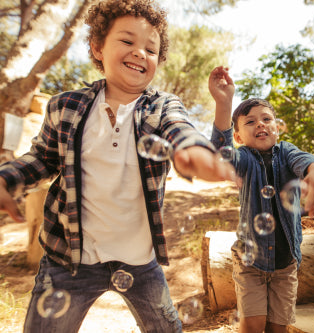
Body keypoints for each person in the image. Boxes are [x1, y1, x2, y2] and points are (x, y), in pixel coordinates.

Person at [0, 1, 236, 332]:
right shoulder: (64, 106)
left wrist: (195, 150)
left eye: (150, 49)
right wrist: (6, 180)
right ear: (97, 47)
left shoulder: (162, 107)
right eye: (127, 41)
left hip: (140, 262)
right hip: (68, 263)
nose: (140, 52)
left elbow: (181, 130)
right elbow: (41, 159)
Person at [208, 66, 314, 333]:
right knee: (252, 326)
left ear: (277, 128)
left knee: (279, 328)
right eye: (250, 121)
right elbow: (221, 156)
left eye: (266, 119)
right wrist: (224, 103)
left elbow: (305, 161)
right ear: (239, 136)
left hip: (286, 264)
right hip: (250, 263)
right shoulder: (243, 159)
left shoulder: (287, 152)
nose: (260, 124)